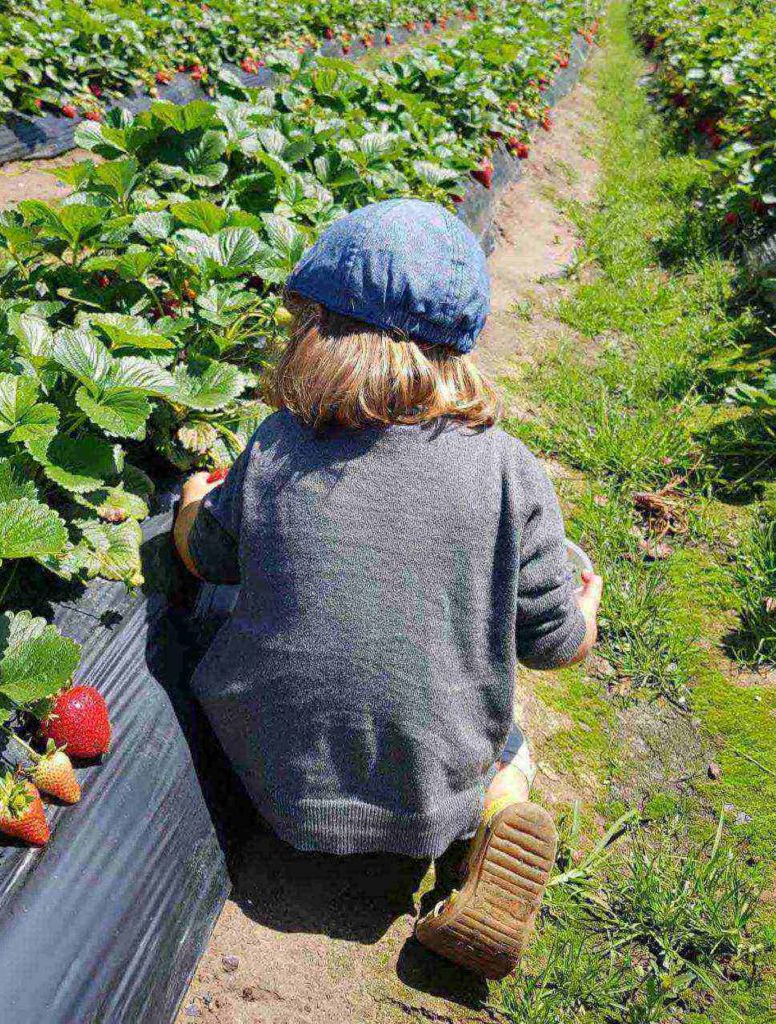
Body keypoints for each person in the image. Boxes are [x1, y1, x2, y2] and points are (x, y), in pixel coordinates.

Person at [173, 198, 603, 979]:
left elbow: (207, 560)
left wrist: (192, 501)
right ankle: (495, 822)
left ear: (311, 331)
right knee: (504, 735)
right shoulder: (510, 469)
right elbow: (553, 648)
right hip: (429, 794)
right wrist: (587, 612)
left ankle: (457, 818)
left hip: (271, 776)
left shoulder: (277, 445)